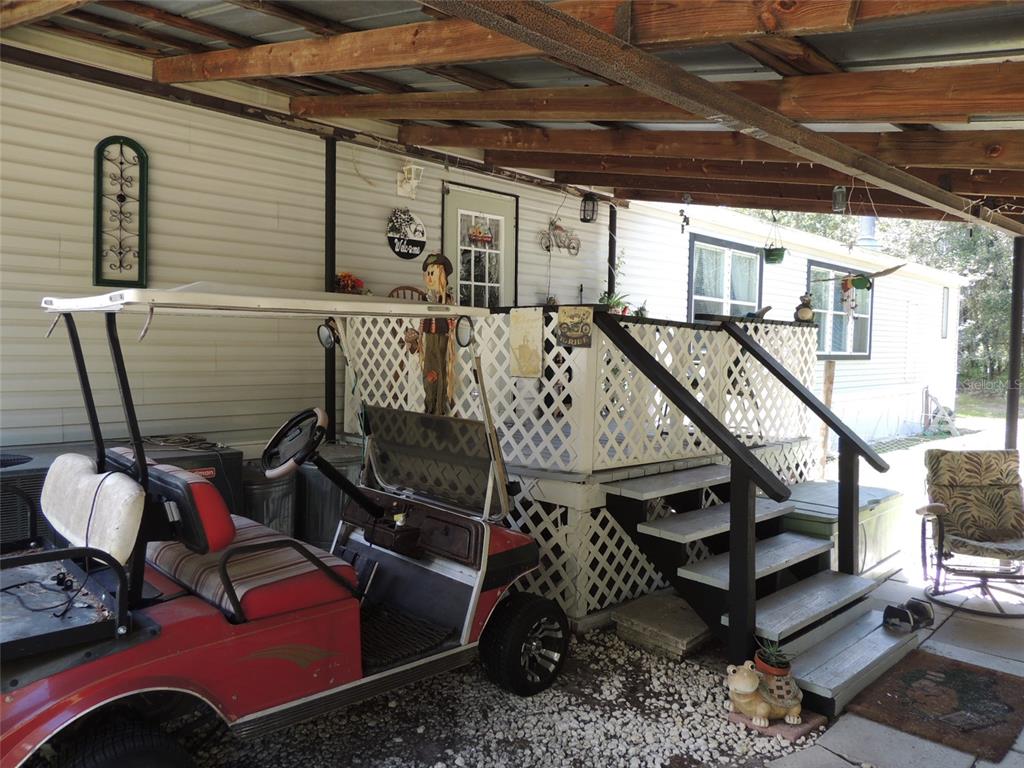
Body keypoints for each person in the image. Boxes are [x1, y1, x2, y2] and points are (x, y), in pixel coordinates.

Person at [419, 252, 456, 415]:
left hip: (442, 336)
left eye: (432, 273)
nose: (429, 276)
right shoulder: (425, 297)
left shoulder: (446, 298)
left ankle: (440, 407)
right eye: (427, 273)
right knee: (429, 371)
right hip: (429, 336)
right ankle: (430, 403)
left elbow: (450, 319)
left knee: (440, 369)